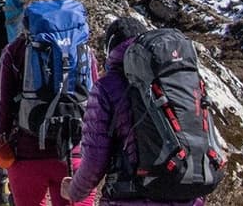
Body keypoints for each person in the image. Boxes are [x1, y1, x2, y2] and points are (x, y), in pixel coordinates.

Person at [60, 19, 207, 206]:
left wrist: (74, 191)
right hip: (188, 196)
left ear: (110, 50)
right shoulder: (180, 80)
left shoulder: (107, 87)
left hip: (133, 196)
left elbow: (95, 160)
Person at [0, 0, 97, 206]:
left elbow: (2, 107)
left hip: (27, 153)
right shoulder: (83, 50)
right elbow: (96, 103)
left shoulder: (15, 50)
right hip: (74, 154)